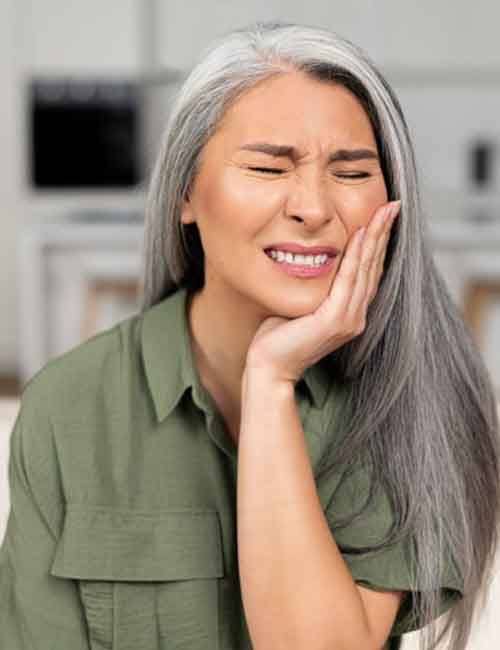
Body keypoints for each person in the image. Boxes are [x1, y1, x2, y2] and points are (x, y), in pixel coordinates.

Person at [1, 19, 499, 650]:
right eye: (267, 168)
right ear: (185, 192)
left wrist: (270, 379)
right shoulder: (69, 404)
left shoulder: (411, 400)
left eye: (351, 174)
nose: (314, 209)